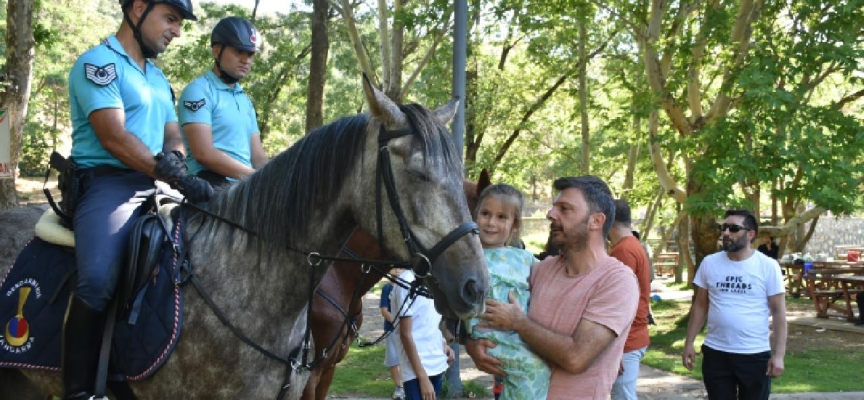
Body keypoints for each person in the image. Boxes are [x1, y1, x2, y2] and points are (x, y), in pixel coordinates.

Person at [62, 1, 210, 398]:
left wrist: (176, 159)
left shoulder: (158, 78)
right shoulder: (99, 64)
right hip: (110, 185)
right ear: (139, 8)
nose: (176, 31)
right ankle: (78, 391)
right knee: (95, 279)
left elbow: (172, 133)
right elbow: (114, 137)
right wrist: (172, 173)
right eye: (171, 19)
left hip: (159, 183)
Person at [467, 176, 639, 400]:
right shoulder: (541, 269)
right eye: (554, 206)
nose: (550, 214)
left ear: (595, 221)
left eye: (564, 209)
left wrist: (518, 323)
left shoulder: (616, 281)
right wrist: (471, 342)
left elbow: (576, 358)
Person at [682, 209, 787, 400]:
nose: (726, 233)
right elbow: (700, 306)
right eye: (724, 228)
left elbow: (779, 313)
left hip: (754, 354)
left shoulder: (768, 266)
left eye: (733, 228)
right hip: (716, 354)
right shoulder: (709, 263)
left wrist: (779, 355)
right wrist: (689, 342)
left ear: (751, 234)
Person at [466, 184, 550, 400]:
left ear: (515, 225)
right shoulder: (467, 258)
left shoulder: (525, 258)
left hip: (524, 337)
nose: (491, 222)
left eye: (502, 217)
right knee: (535, 371)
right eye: (485, 214)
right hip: (493, 339)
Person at [178, 16, 268, 189]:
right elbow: (203, 153)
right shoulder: (199, 91)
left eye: (250, 54)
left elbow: (258, 157)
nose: (246, 60)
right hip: (209, 188)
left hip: (243, 190)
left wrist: (275, 178)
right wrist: (254, 178)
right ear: (216, 51)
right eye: (238, 51)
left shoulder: (244, 100)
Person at [608, 199, 651, 400]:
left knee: (623, 396)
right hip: (633, 336)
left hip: (629, 339)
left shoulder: (623, 250)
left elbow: (621, 304)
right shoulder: (632, 244)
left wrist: (617, 348)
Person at [391, 268, 455, 400]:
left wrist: (443, 344)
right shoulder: (407, 280)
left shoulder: (433, 278)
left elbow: (429, 321)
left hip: (436, 362)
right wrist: (423, 378)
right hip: (417, 370)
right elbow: (405, 335)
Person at [381, 269, 406, 400]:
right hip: (391, 329)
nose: (397, 272)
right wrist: (397, 323)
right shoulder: (387, 288)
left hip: (408, 329)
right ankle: (399, 387)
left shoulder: (408, 287)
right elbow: (384, 310)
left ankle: (408, 384)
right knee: (393, 358)